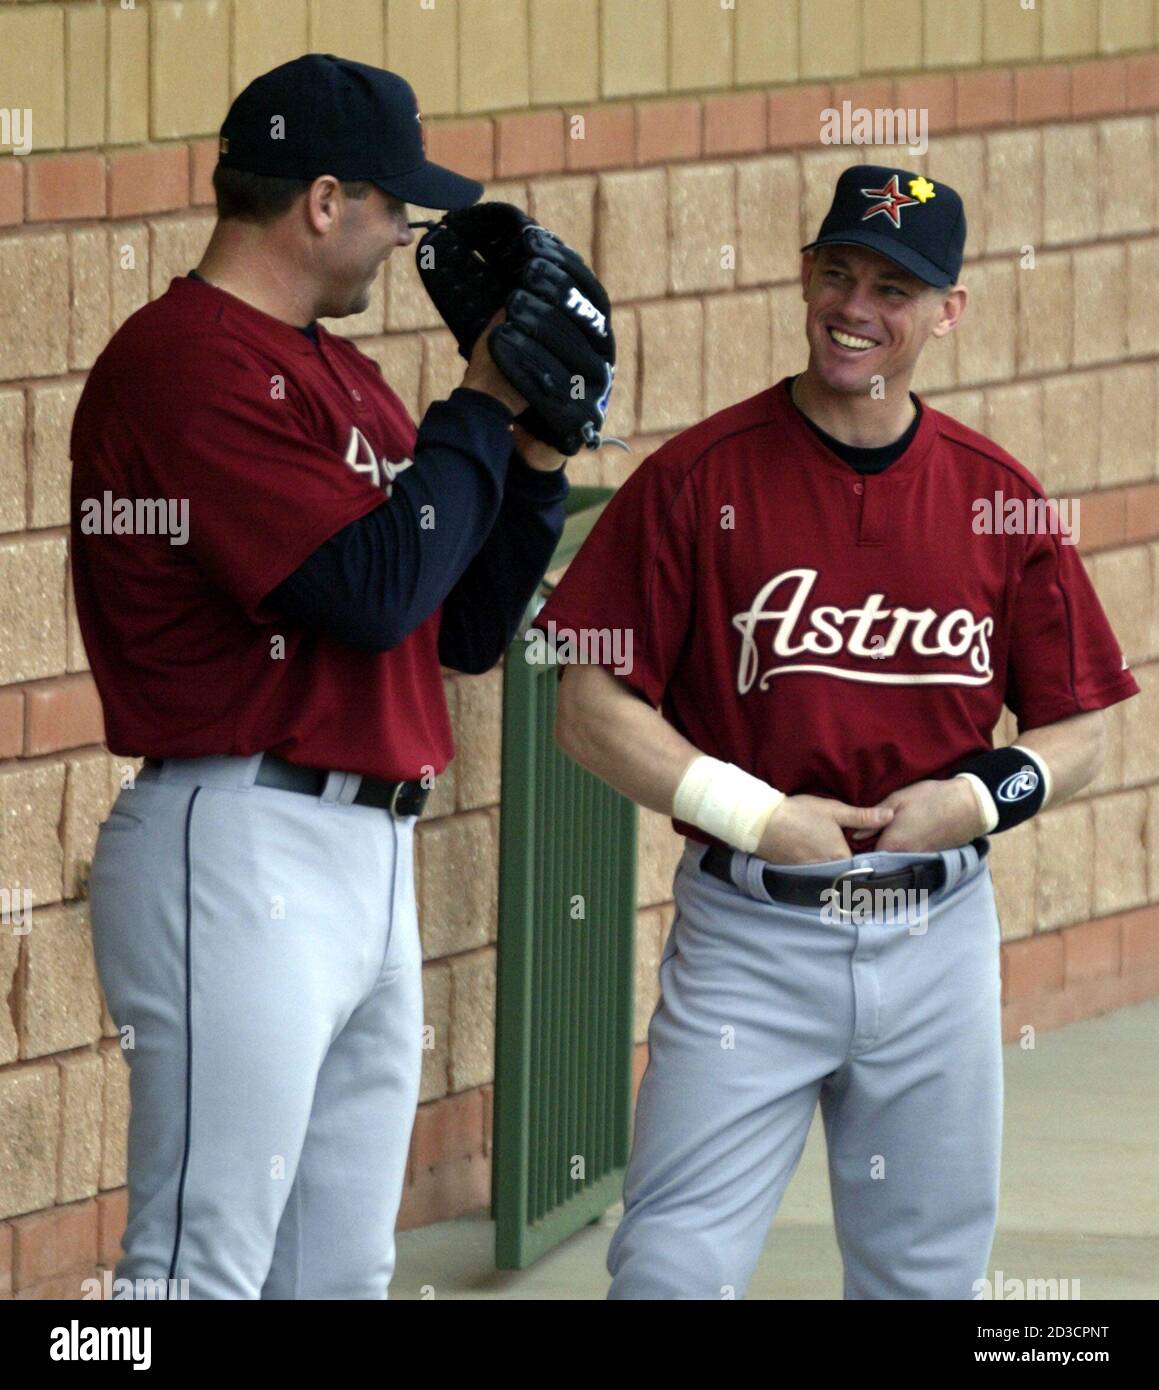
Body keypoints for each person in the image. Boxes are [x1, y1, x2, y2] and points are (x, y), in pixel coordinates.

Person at [534, 163, 1138, 1299]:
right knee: (668, 1270)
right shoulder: (696, 478)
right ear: (805, 275)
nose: (855, 306)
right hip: (750, 936)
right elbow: (589, 710)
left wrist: (972, 798)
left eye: (894, 289)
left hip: (938, 927)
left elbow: (1082, 725)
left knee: (924, 1280)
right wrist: (757, 813)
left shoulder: (993, 493)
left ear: (947, 310)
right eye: (837, 272)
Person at [70, 54, 571, 1300]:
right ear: (323, 199)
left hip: (367, 853)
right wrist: (476, 401)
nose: (408, 232)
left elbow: (452, 625)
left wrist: (535, 452)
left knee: (337, 1274)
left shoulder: (338, 370)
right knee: (197, 1270)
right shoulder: (185, 362)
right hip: (237, 837)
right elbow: (363, 593)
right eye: (395, 205)